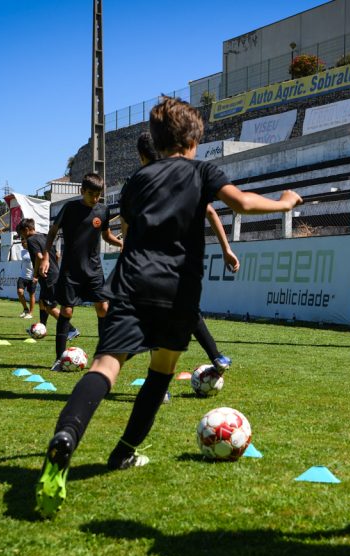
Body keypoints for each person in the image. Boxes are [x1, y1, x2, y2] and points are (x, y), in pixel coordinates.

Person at [35, 96, 302, 519]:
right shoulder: (203, 171)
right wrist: (286, 202)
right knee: (161, 370)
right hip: (177, 288)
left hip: (131, 280)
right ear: (194, 138)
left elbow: (128, 226)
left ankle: (66, 436)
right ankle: (123, 453)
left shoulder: (138, 182)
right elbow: (243, 204)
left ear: (156, 142)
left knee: (105, 366)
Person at [135, 132, 234, 372]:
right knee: (187, 311)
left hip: (153, 264)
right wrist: (226, 249)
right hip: (184, 262)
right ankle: (216, 357)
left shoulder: (141, 183)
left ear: (141, 158)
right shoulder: (183, 177)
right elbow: (212, 212)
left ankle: (158, 384)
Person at [40, 172, 123, 370]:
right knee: (67, 310)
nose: (95, 198)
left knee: (103, 308)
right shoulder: (70, 208)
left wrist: (120, 242)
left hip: (94, 269)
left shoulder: (103, 210)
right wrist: (45, 256)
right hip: (71, 270)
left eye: (98, 195)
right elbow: (52, 232)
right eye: (91, 194)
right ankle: (59, 359)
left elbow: (106, 235)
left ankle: (102, 357)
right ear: (82, 191)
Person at [17, 218, 75, 337]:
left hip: (47, 275)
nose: (21, 236)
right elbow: (57, 255)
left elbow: (39, 257)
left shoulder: (31, 240)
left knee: (50, 307)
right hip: (53, 273)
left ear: (27, 230)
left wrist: (36, 274)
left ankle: (71, 329)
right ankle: (42, 327)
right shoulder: (43, 237)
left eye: (21, 233)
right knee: (43, 302)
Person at [16, 241, 36, 319]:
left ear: (28, 243)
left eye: (23, 243)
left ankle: (30, 313)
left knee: (32, 295)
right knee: (19, 292)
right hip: (23, 276)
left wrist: (36, 275)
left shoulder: (34, 251)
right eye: (21, 243)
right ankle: (25, 309)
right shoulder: (22, 252)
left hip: (32, 277)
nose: (22, 244)